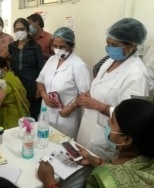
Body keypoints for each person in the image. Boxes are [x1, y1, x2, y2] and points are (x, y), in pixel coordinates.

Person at [77, 18, 153, 161]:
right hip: (88, 129)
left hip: (104, 139)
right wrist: (90, 94)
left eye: (114, 45)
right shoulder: (110, 61)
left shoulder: (136, 75)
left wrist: (98, 106)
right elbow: (101, 85)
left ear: (131, 46)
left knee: (95, 177)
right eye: (108, 44)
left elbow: (132, 118)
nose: (109, 48)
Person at [38, 99, 154, 188]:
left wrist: (49, 181)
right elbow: (118, 168)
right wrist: (93, 160)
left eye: (112, 121)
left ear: (126, 140)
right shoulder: (142, 157)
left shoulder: (109, 178)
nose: (108, 121)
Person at [36, 27, 91, 138]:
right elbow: (40, 80)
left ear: (71, 46)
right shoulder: (52, 60)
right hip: (46, 112)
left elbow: (85, 94)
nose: (57, 49)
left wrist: (71, 107)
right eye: (55, 46)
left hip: (66, 118)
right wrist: (44, 96)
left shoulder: (78, 66)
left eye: (62, 47)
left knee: (63, 149)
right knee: (43, 142)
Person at [8, 18, 44, 120]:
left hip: (31, 84)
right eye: (16, 29)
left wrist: (39, 88)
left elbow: (41, 68)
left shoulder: (35, 47)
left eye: (22, 29)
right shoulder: (12, 47)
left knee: (32, 114)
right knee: (18, 113)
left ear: (27, 30)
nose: (19, 32)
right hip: (16, 85)